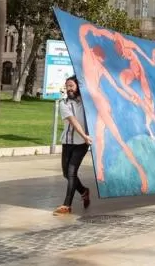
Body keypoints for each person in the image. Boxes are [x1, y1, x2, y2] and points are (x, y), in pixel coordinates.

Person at [54, 77, 93, 216]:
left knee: (71, 172)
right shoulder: (64, 104)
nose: (69, 89)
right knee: (66, 174)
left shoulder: (87, 103)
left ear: (78, 86)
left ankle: (67, 205)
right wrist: (85, 135)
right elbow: (73, 121)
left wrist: (85, 138)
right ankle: (83, 191)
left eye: (71, 85)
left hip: (82, 144)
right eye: (67, 86)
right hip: (68, 142)